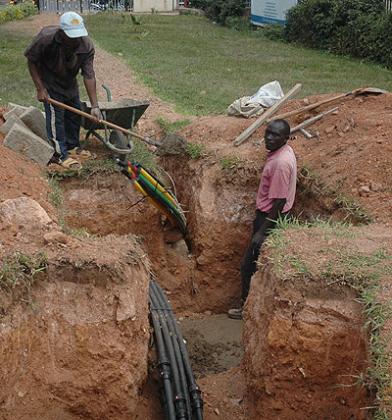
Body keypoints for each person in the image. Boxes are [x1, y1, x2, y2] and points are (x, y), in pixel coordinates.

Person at [228, 119, 297, 320]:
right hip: (276, 217)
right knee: (259, 264)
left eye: (275, 135)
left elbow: (279, 201)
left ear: (285, 138)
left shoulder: (279, 163)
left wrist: (261, 231)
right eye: (267, 133)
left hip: (270, 218)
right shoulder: (285, 152)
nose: (268, 137)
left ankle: (247, 310)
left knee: (248, 265)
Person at [25, 12, 101, 169]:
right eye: (71, 36)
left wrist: (95, 106)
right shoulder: (46, 38)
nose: (75, 40)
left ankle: (72, 147)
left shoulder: (86, 45)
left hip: (69, 83)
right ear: (62, 33)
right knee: (56, 118)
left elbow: (89, 75)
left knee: (75, 113)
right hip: (50, 82)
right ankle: (59, 155)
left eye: (78, 36)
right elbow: (32, 60)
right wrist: (40, 88)